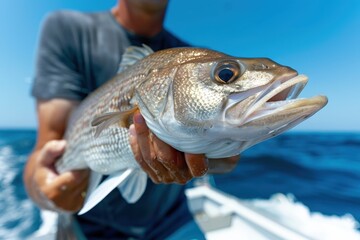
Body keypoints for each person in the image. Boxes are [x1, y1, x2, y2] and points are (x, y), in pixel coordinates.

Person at [23, 0, 240, 239]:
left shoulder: (192, 57)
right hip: (92, 225)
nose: (226, 77)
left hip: (173, 220)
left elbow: (227, 161)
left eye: (226, 75)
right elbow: (46, 148)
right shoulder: (66, 29)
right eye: (225, 76)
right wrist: (44, 191)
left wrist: (220, 153)